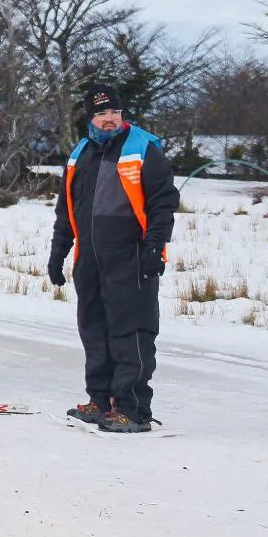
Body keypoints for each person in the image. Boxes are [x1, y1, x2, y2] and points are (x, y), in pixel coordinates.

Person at [48, 84, 178, 433]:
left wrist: (154, 246)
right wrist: (59, 249)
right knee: (95, 330)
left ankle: (133, 409)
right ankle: (101, 401)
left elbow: (163, 202)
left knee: (130, 331)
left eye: (115, 113)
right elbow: (68, 208)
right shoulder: (81, 153)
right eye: (102, 114)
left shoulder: (142, 148)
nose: (110, 119)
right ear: (90, 118)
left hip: (131, 256)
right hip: (90, 257)